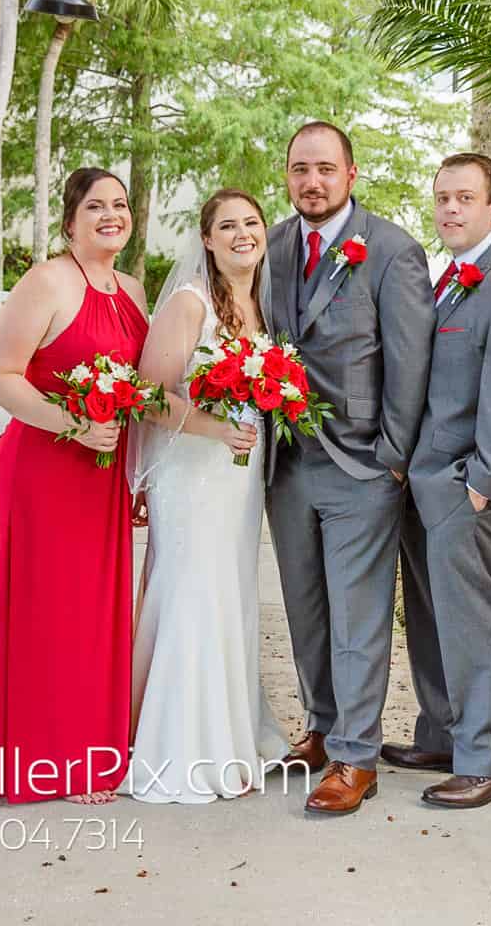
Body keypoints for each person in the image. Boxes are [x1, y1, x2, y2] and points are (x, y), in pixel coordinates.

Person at [264, 120, 436, 816]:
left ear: (351, 174)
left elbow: (411, 364)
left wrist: (392, 460)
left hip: (363, 464)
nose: (312, 181)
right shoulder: (271, 245)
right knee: (305, 609)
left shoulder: (392, 251)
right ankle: (321, 727)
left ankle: (356, 758)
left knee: (359, 615)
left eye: (325, 169)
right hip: (286, 462)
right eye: (300, 169)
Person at [384, 152, 491, 809]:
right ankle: (445, 734)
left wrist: (480, 482)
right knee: (430, 617)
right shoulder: (448, 279)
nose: (450, 209)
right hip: (426, 483)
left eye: (464, 198)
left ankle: (488, 760)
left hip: (469, 488)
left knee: (475, 620)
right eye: (442, 198)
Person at [0, 167, 150, 805]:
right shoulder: (45, 281)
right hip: (47, 469)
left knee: (96, 611)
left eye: (121, 205)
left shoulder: (130, 288)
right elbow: (0, 376)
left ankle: (94, 750)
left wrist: (140, 472)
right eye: (96, 206)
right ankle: (49, 762)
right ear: (70, 221)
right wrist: (71, 425)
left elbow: (140, 389)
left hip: (103, 475)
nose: (111, 215)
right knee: (49, 610)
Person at [121, 189, 293, 803]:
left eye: (251, 222)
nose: (243, 233)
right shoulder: (190, 304)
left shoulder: (261, 303)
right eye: (228, 225)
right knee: (194, 590)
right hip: (194, 473)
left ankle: (231, 734)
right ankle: (184, 746)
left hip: (238, 476)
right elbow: (146, 395)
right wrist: (216, 428)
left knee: (231, 591)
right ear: (207, 240)